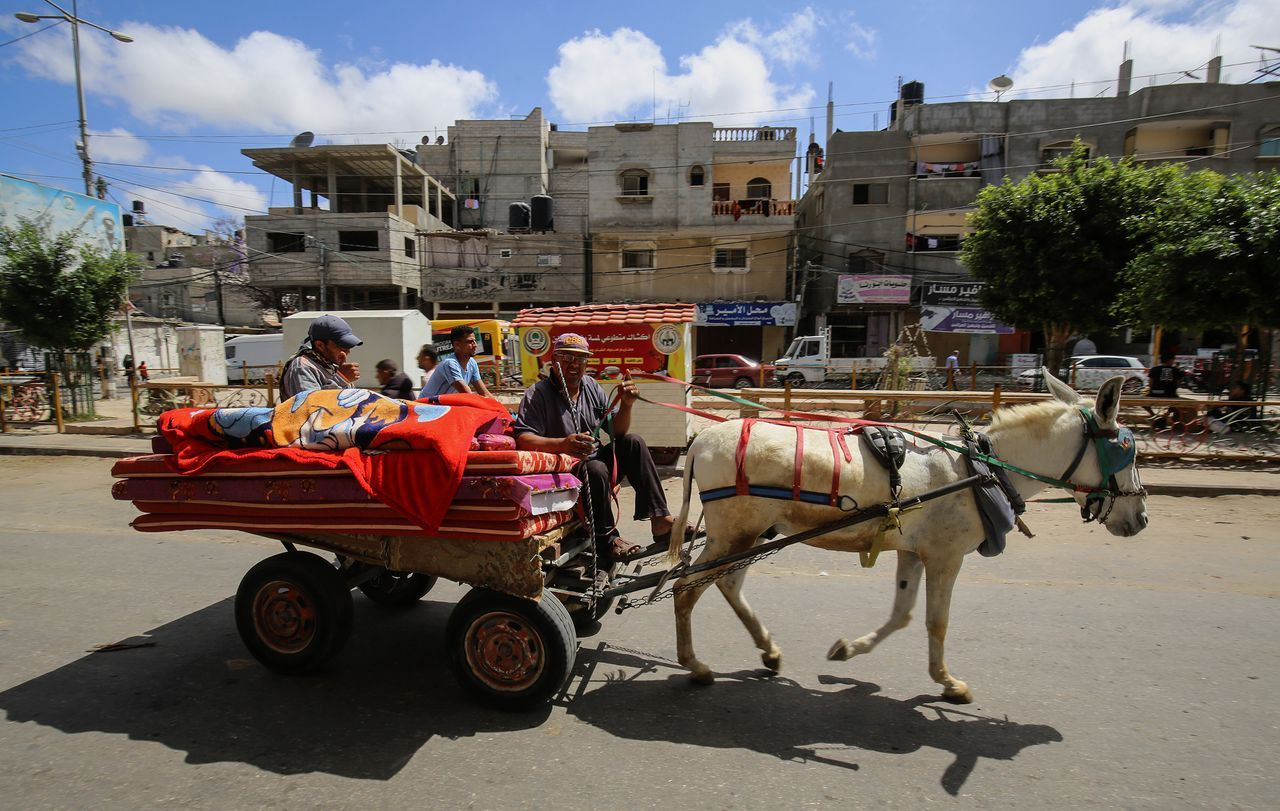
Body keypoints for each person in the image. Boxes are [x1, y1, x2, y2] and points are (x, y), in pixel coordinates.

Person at [513, 333, 682, 585]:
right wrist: (563, 444)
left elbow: (618, 432)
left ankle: (660, 519)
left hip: (596, 463)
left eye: (580, 359)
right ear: (553, 360)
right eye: (567, 357)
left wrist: (626, 405)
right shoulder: (537, 394)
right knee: (595, 467)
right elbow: (524, 438)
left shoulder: (591, 386)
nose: (574, 364)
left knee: (633, 441)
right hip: (565, 468)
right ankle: (608, 539)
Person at [279, 314, 362, 400]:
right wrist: (341, 379)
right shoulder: (302, 367)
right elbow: (310, 406)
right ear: (320, 345)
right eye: (342, 347)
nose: (348, 351)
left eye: (349, 347)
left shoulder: (329, 365)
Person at [420, 325, 496, 401]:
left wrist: (499, 406)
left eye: (475, 341)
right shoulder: (450, 364)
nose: (475, 345)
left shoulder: (472, 363)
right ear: (457, 345)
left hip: (442, 407)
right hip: (426, 407)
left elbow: (484, 393)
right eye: (470, 342)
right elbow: (468, 395)